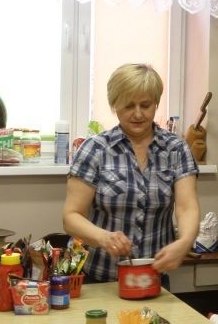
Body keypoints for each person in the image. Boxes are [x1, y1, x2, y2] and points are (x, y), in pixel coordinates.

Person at [62, 63, 200, 282]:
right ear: (114, 105)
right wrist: (103, 237)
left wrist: (183, 243)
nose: (138, 114)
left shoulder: (176, 149)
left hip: (152, 278)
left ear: (156, 104)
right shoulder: (95, 149)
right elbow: (71, 217)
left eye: (145, 105)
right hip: (99, 277)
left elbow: (186, 208)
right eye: (128, 106)